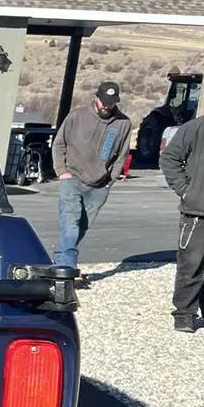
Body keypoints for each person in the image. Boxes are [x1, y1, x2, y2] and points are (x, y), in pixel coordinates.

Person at [52, 81, 132, 278]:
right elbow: (59, 144)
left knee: (80, 228)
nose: (107, 106)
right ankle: (67, 271)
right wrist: (62, 171)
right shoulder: (77, 116)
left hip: (99, 185)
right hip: (72, 178)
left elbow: (121, 155)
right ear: (96, 98)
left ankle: (60, 262)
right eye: (104, 102)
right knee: (71, 224)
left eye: (111, 103)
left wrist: (109, 181)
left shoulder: (123, 124)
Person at [158, 104, 204, 333]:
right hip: (200, 212)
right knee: (191, 266)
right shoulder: (197, 128)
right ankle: (184, 313)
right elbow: (170, 159)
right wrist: (187, 191)